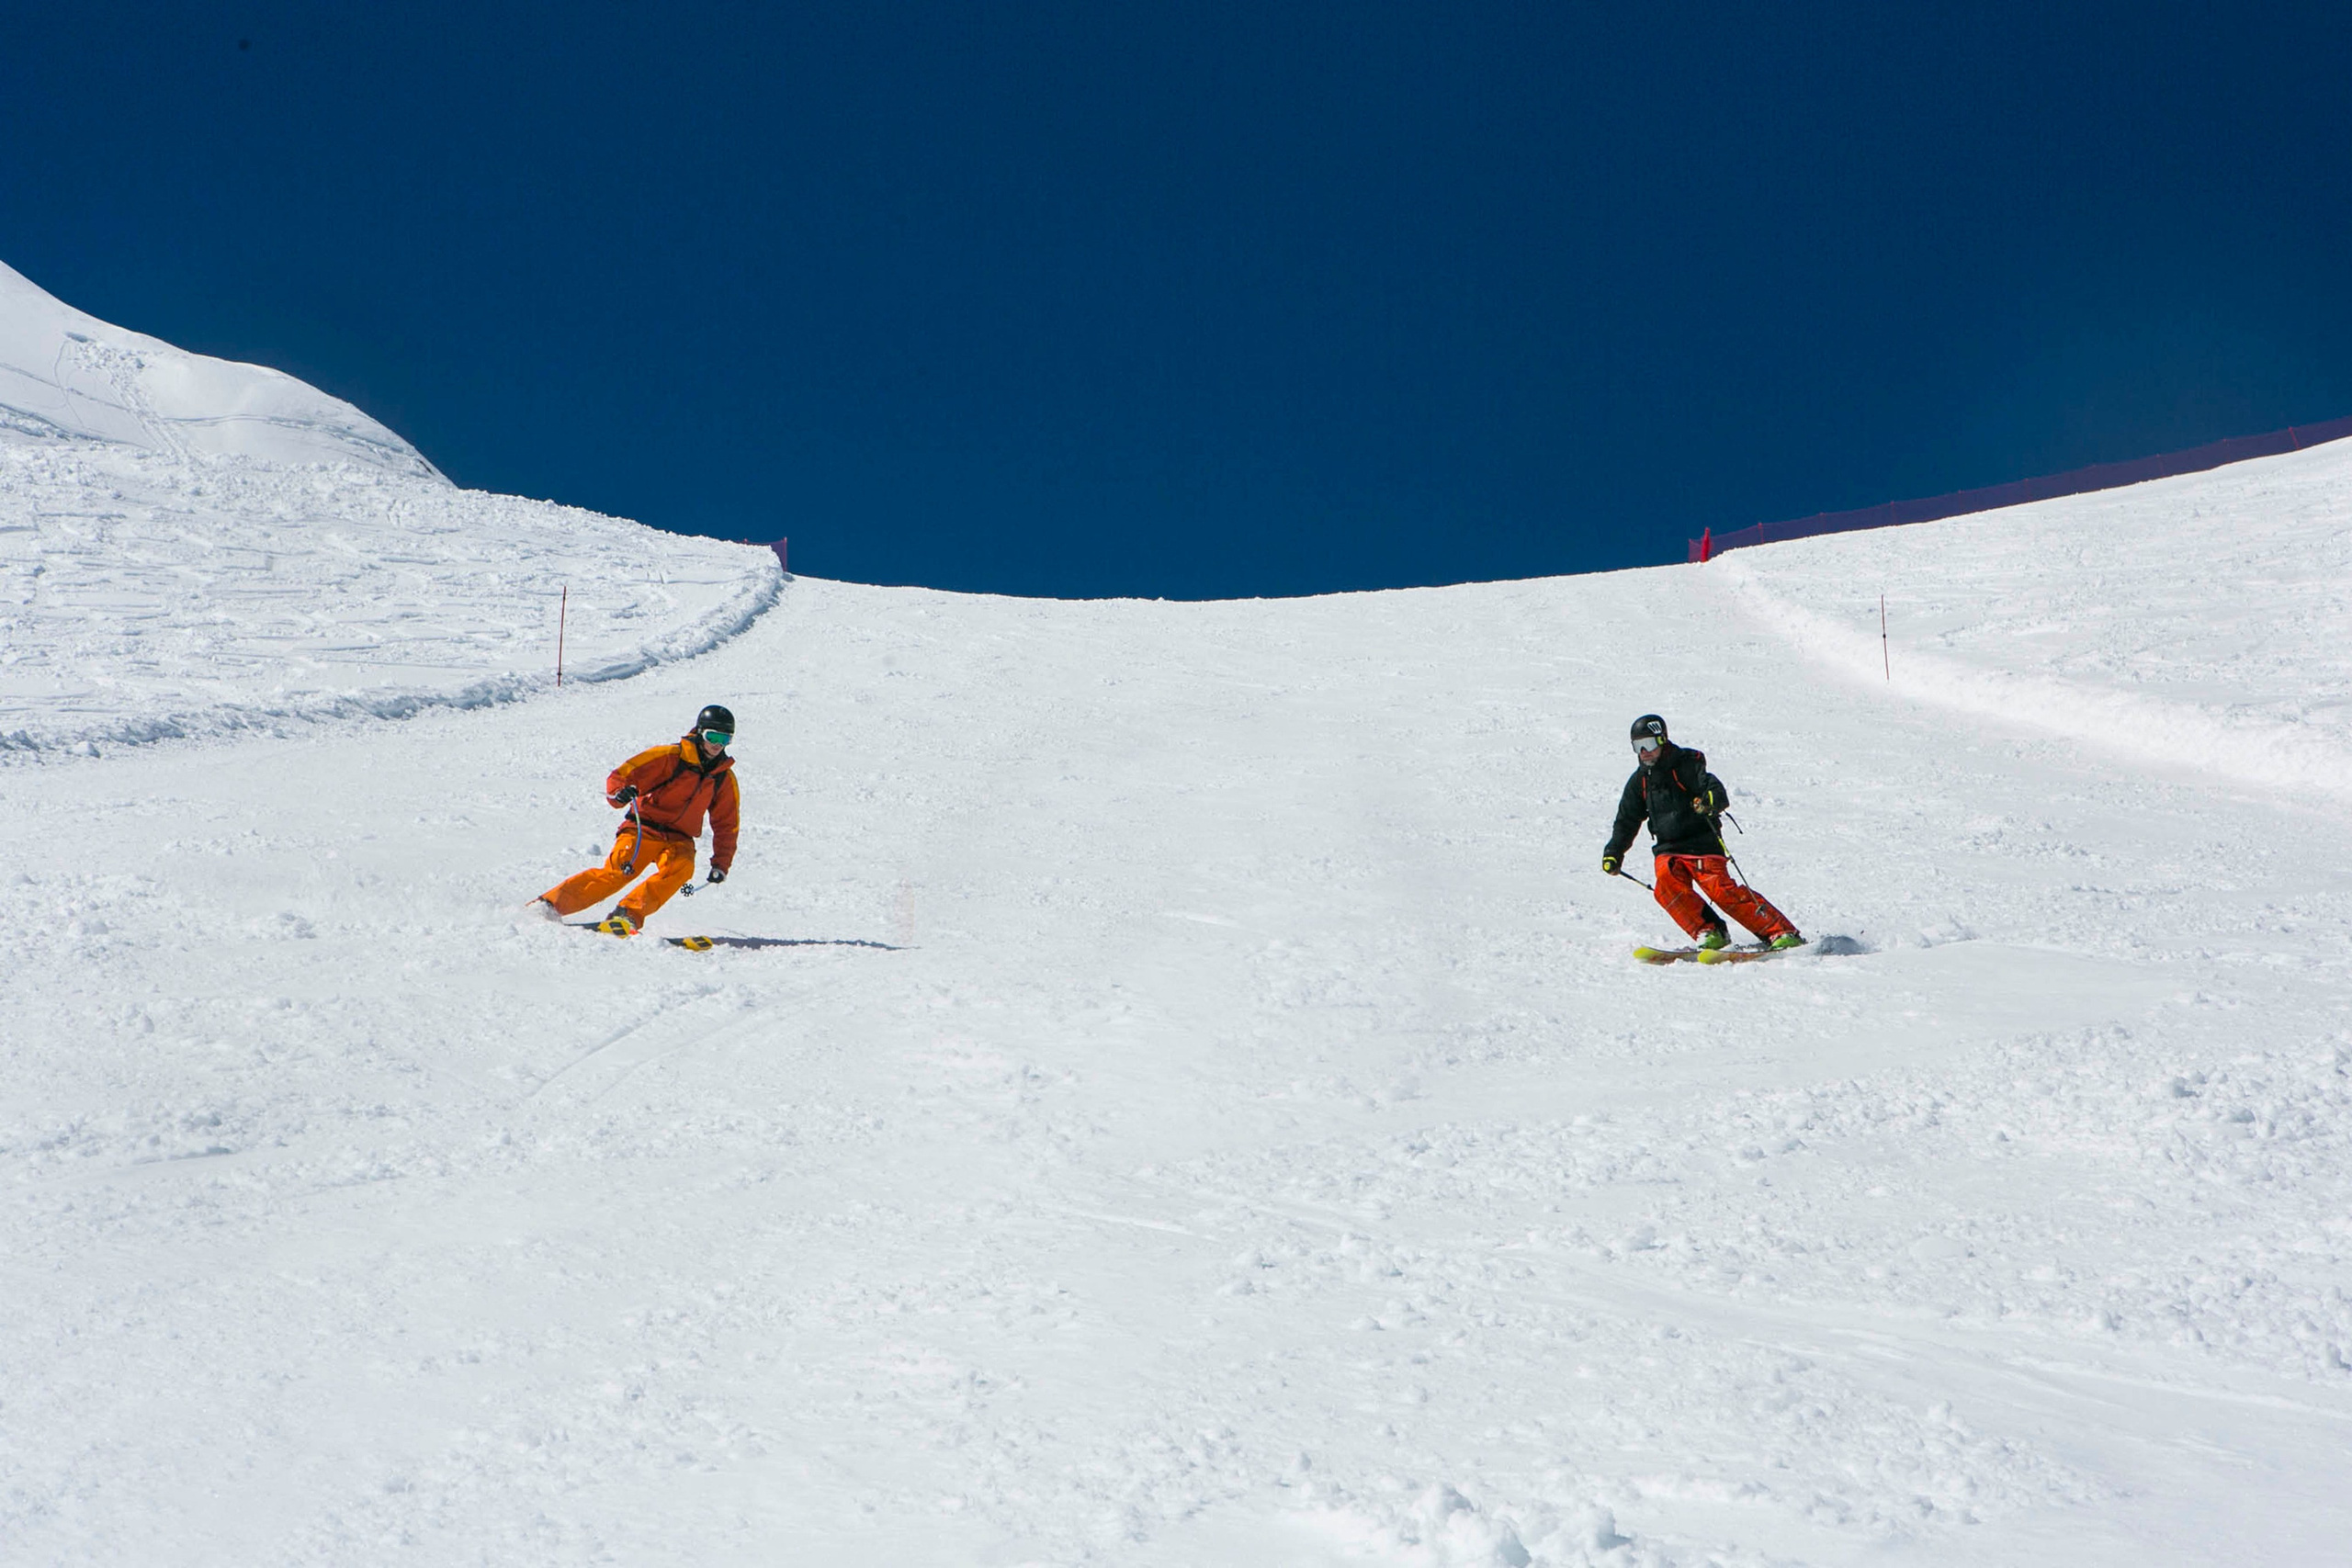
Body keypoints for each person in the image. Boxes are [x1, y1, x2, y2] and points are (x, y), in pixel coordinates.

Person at [537, 705, 741, 936]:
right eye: (713, 737)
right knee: (619, 871)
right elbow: (622, 775)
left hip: (679, 838)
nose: (717, 745)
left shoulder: (723, 778)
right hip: (644, 827)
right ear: (700, 732)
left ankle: (627, 914)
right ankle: (549, 905)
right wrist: (620, 794)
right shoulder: (670, 757)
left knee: (681, 869)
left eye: (725, 739)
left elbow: (727, 825)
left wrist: (721, 864)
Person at [1601, 714, 1801, 951]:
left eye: (1649, 744)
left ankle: (1780, 931)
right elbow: (1626, 820)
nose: (1644, 752)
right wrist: (1613, 853)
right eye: (1638, 746)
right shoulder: (1640, 781)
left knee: (1720, 890)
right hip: (1668, 848)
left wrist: (1709, 801)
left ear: (1662, 740)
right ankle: (1710, 931)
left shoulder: (1686, 765)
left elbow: (1715, 790)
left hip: (1702, 844)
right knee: (1666, 885)